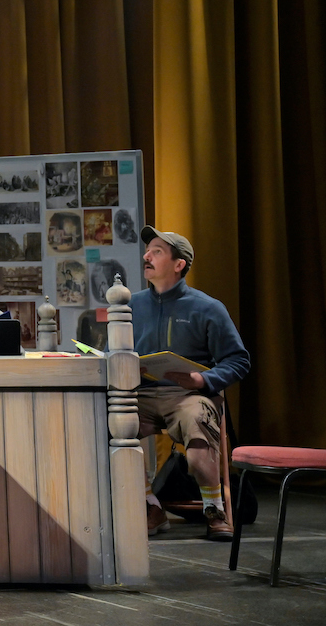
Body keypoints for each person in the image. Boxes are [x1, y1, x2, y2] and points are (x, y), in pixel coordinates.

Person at [132, 226, 250, 542]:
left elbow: (239, 361)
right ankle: (150, 506)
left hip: (189, 395)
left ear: (179, 263)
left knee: (197, 429)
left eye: (156, 251)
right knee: (108, 425)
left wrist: (204, 378)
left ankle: (215, 509)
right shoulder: (131, 305)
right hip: (140, 394)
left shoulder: (208, 307)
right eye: (147, 251)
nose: (147, 256)